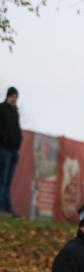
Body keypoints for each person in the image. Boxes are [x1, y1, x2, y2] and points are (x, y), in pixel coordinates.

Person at [0, 87, 22, 215]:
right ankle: (2, 207)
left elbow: (17, 129)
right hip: (3, 150)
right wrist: (4, 140)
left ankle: (7, 208)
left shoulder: (15, 112)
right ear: (8, 96)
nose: (14, 99)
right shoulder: (1, 109)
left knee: (8, 181)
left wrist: (18, 142)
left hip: (14, 151)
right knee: (2, 180)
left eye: (16, 97)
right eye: (12, 96)